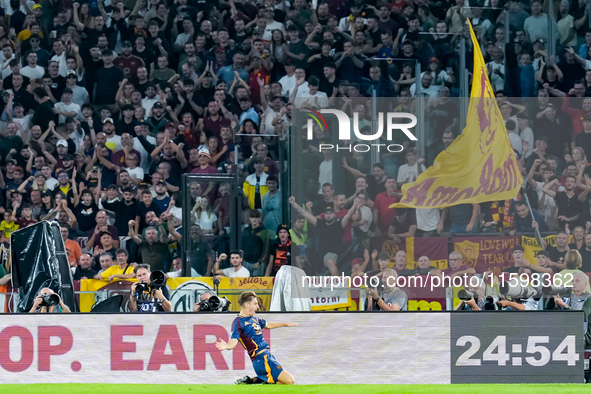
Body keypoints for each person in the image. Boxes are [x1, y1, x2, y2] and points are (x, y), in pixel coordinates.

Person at [215, 291, 297, 385]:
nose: (257, 307)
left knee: (281, 383)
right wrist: (226, 346)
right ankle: (254, 382)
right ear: (247, 305)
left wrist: (285, 324)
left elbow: (268, 324)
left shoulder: (254, 319)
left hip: (267, 357)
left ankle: (251, 381)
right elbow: (233, 341)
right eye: (255, 304)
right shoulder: (238, 322)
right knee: (290, 381)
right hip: (261, 359)